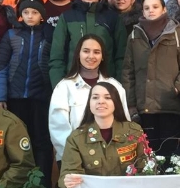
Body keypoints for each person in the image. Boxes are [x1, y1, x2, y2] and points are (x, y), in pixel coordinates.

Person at [0, 0, 54, 188]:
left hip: (41, 97)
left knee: (42, 140)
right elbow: (0, 67)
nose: (30, 16)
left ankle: (42, 184)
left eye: (34, 12)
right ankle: (19, 184)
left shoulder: (49, 35)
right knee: (18, 141)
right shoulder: (11, 35)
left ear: (41, 16)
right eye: (26, 12)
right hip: (16, 97)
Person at [122, 0, 180, 155]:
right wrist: (131, 105)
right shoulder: (134, 35)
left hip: (170, 106)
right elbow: (128, 72)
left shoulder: (176, 33)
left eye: (155, 7)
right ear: (142, 12)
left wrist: (177, 88)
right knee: (148, 155)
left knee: (171, 155)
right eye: (147, 8)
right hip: (144, 108)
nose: (151, 11)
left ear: (164, 9)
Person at [49, 35, 128, 173]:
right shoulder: (64, 87)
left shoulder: (115, 86)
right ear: (78, 54)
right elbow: (58, 129)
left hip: (112, 162)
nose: (91, 56)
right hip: (75, 161)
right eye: (86, 51)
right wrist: (76, 155)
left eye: (96, 52)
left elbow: (124, 123)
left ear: (102, 57)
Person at [60, 82, 147, 188]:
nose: (101, 101)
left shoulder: (134, 131)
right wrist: (68, 181)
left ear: (116, 102)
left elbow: (145, 168)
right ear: (89, 103)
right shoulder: (76, 138)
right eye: (95, 97)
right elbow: (68, 172)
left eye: (107, 97)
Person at [48, 0, 127, 88]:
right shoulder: (67, 17)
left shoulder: (112, 18)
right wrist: (59, 86)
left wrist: (117, 85)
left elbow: (121, 56)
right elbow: (57, 56)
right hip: (73, 84)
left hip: (106, 84)